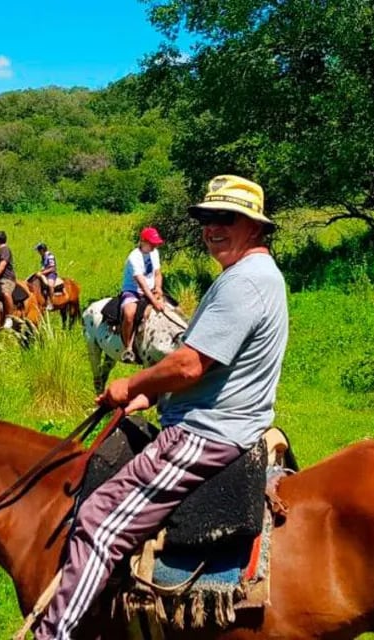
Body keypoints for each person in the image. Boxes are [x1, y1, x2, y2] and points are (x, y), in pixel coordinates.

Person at [33, 175, 287, 640]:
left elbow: (190, 364)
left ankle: (53, 634)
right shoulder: (250, 275)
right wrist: (153, 393)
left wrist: (130, 382)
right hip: (214, 412)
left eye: (225, 219)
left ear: (254, 226)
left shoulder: (244, 283)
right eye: (207, 219)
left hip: (208, 431)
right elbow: (208, 363)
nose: (212, 228)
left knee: (98, 522)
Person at [119, 226, 165, 364]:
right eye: (152, 243)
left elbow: (157, 273)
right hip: (133, 290)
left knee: (171, 307)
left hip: (151, 289)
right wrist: (155, 301)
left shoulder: (154, 253)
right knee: (129, 313)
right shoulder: (134, 257)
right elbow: (141, 284)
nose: (154, 245)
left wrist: (158, 288)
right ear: (143, 241)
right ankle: (128, 347)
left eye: (156, 243)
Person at [34, 242, 58, 311]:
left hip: (51, 274)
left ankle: (51, 302)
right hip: (44, 273)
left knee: (50, 285)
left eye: (38, 250)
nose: (38, 252)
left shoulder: (50, 256)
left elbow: (52, 268)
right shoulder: (43, 256)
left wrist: (42, 273)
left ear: (42, 250)